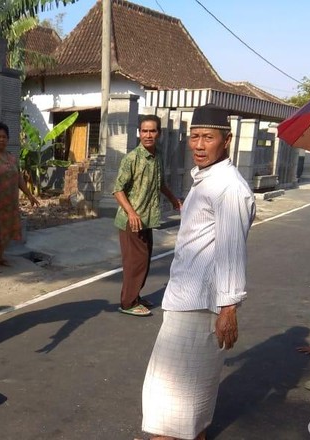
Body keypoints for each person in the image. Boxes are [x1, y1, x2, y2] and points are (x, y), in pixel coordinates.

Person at [141, 104, 255, 440]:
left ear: (227, 140)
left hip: (200, 305)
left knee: (168, 402)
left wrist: (229, 309)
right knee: (192, 401)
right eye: (195, 137)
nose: (199, 145)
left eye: (208, 137)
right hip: (186, 298)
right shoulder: (207, 179)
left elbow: (232, 251)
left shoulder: (229, 187)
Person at [113, 114, 181, 317]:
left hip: (147, 219)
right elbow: (118, 189)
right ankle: (127, 303)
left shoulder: (157, 156)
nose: (148, 135)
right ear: (139, 133)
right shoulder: (132, 159)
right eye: (144, 131)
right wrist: (132, 213)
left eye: (152, 131)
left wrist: (174, 200)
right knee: (135, 262)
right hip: (131, 221)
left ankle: (135, 296)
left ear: (158, 133)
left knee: (144, 260)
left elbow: (160, 183)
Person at [0, 122, 39, 272]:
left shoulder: (11, 158)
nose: (2, 139)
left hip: (9, 204)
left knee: (6, 232)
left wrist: (29, 195)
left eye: (4, 137)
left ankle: (0, 256)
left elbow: (19, 179)